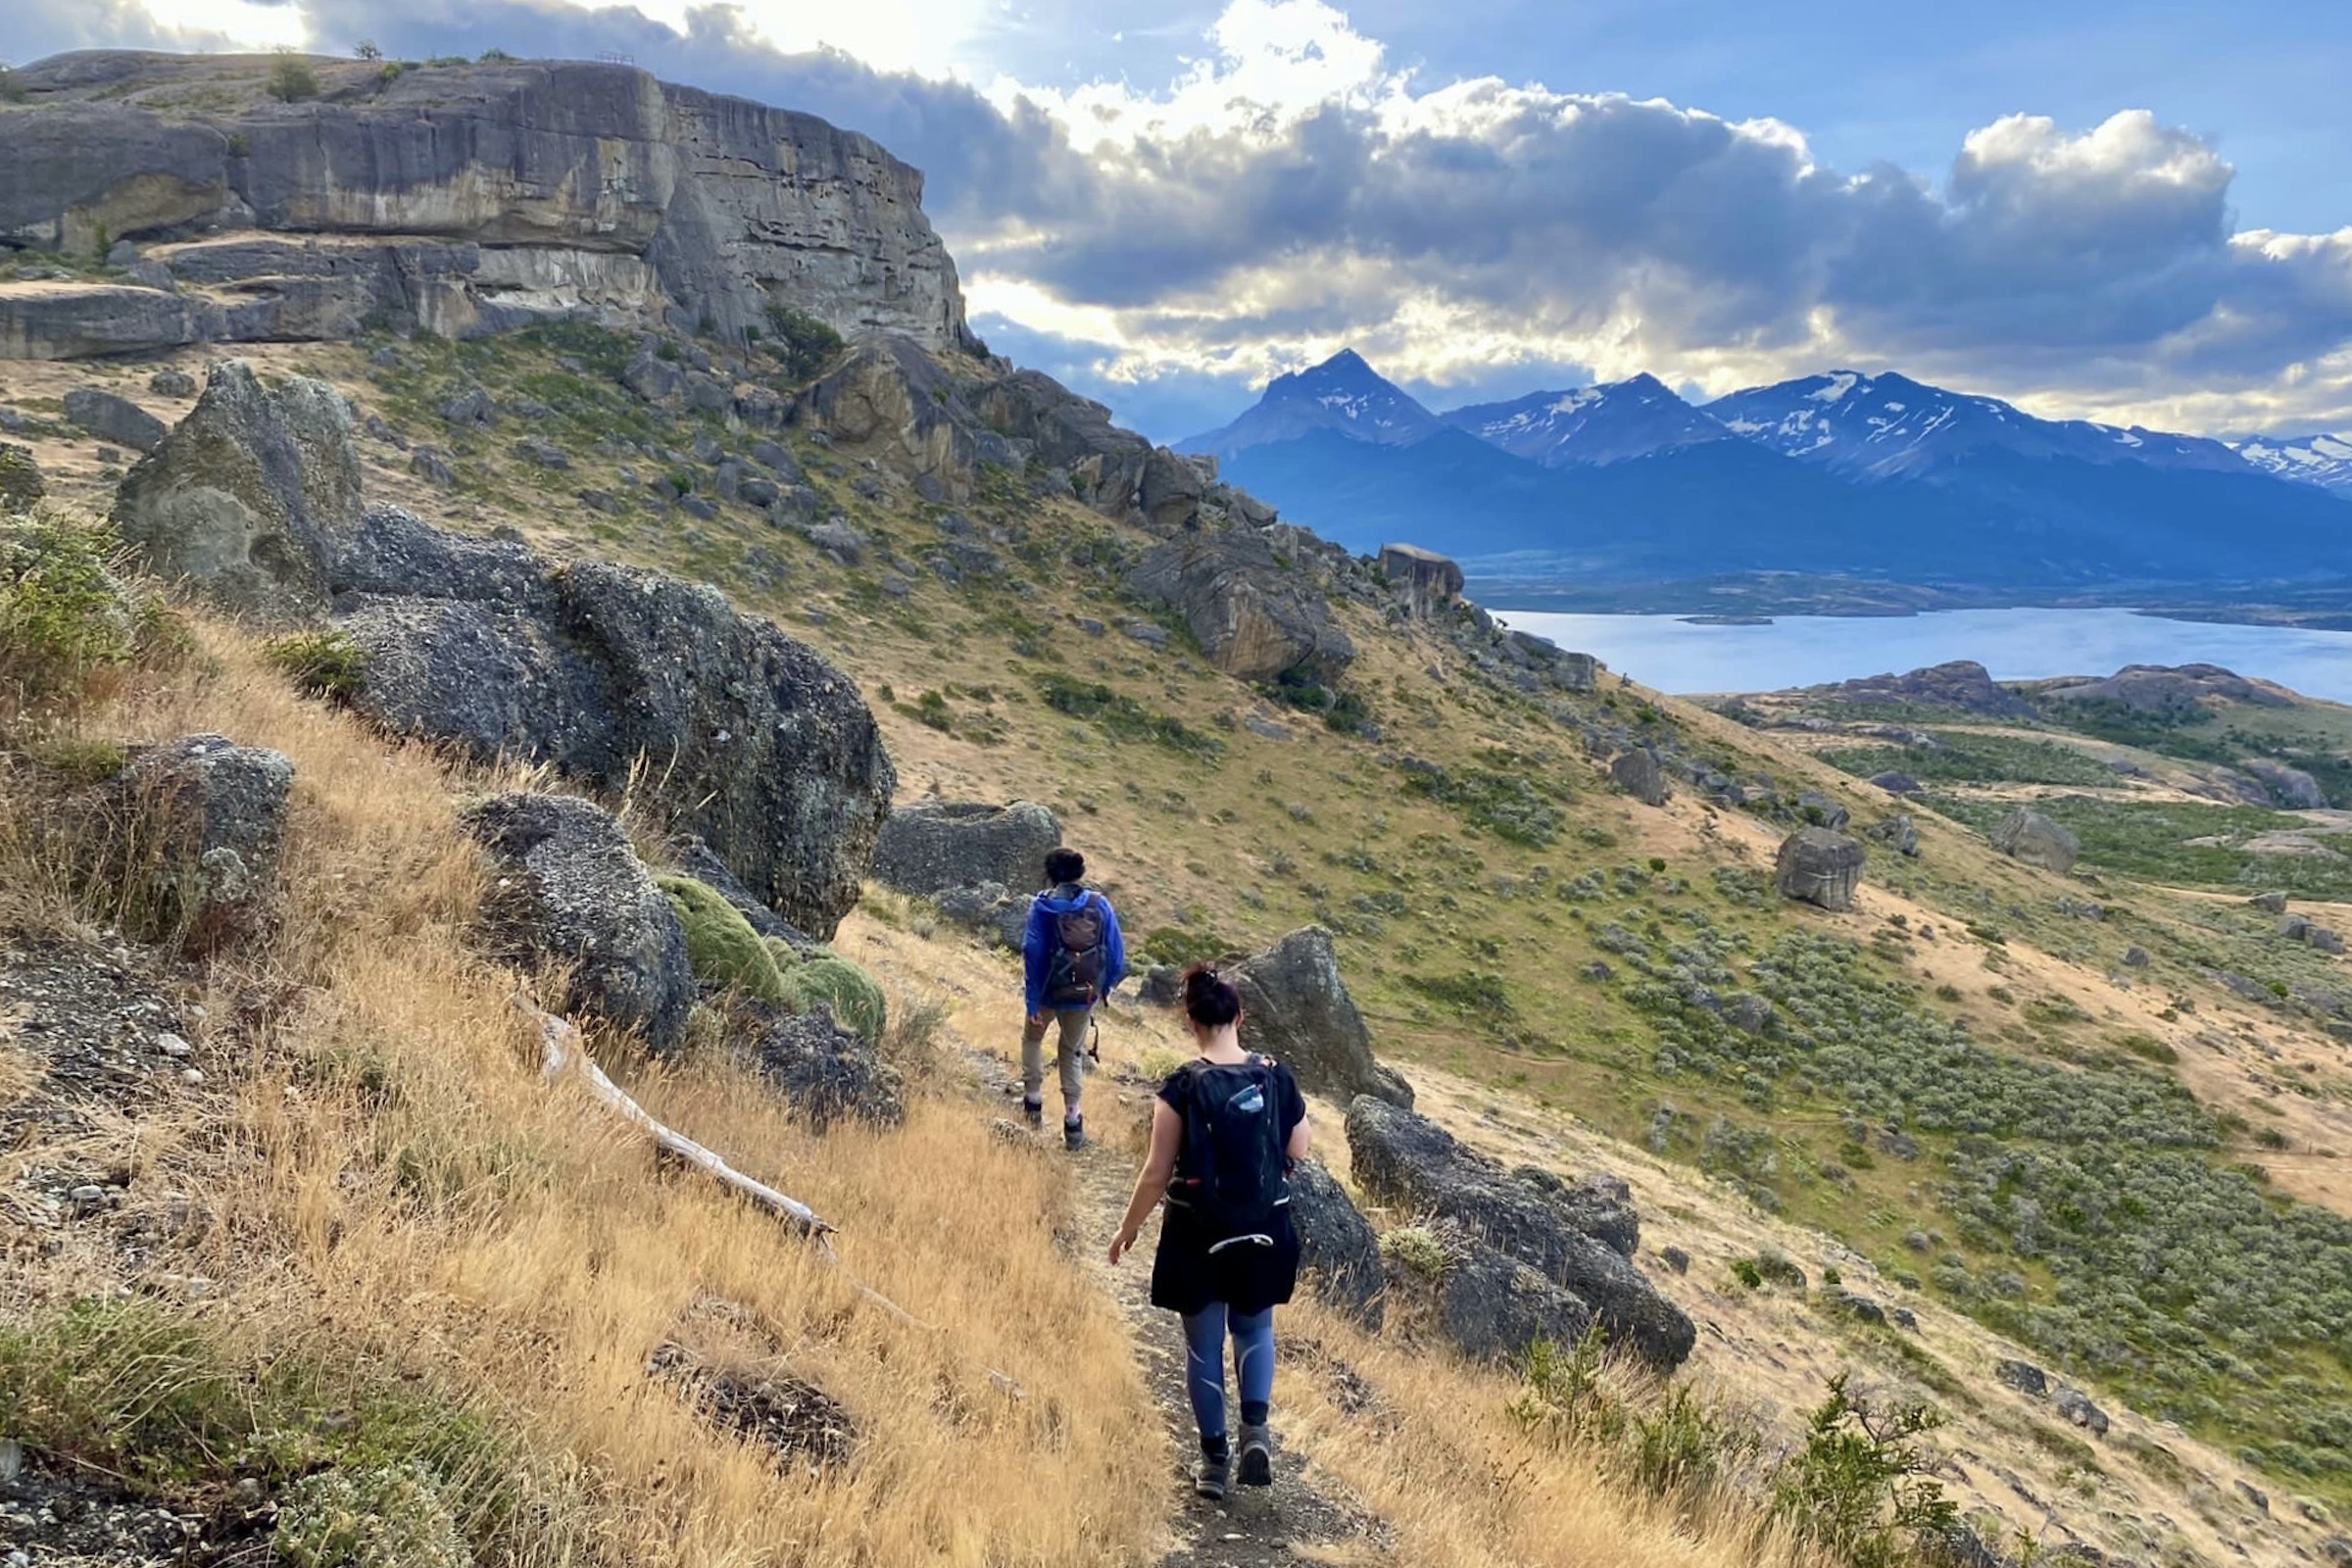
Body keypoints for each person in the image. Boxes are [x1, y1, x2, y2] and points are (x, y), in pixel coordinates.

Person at [1108, 965, 1310, 1500]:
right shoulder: (1275, 1075)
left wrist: (1128, 1229)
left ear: (1191, 1021)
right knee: (1255, 1331)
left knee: (1203, 1349)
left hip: (1197, 1235)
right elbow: (1299, 1148)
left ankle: (1214, 1462)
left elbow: (1157, 1171)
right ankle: (1256, 1431)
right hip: (1264, 1231)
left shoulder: (1182, 1086)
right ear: (1239, 1017)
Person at [1021, 846, 1126, 1150]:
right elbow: (1116, 954)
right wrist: (1102, 990)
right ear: (1080, 873)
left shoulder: (1041, 907)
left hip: (1046, 993)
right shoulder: (1099, 904)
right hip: (1083, 996)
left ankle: (1033, 1104)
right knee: (1071, 1051)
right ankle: (1073, 1123)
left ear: (1050, 874)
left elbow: (1033, 952)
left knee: (1032, 1041)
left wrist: (1031, 1001)